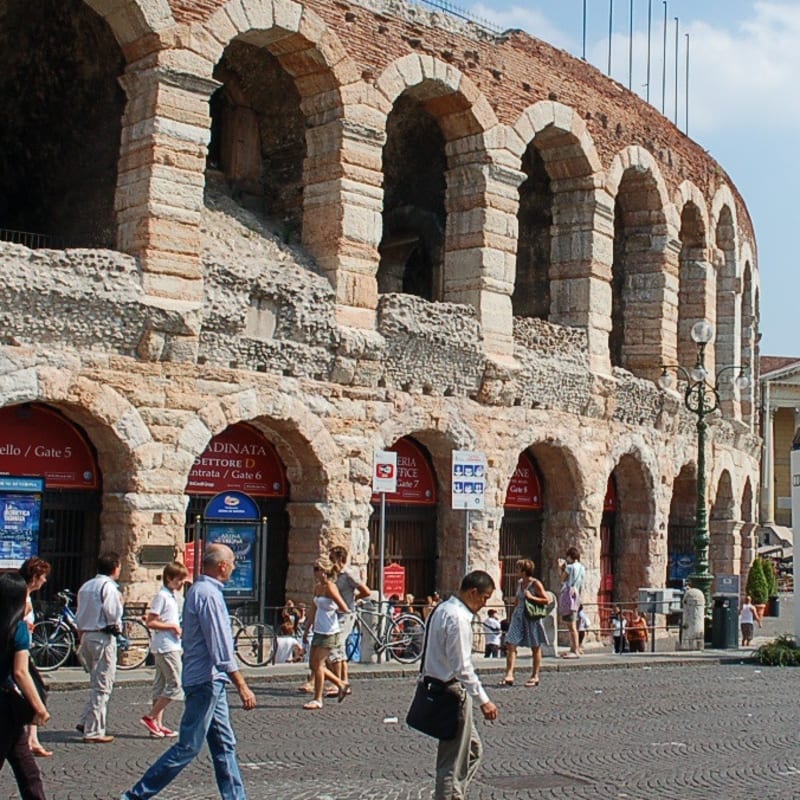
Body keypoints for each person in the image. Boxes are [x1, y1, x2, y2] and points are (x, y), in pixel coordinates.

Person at [121, 543, 256, 800]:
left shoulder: (202, 591)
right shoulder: (208, 594)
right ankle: (135, 796)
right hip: (206, 681)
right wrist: (242, 684)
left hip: (210, 680)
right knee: (188, 747)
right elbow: (220, 647)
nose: (235, 567)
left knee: (225, 745)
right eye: (233, 563)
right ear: (222, 566)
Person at [420, 570, 498, 800]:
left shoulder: (442, 609)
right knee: (450, 763)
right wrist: (484, 700)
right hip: (451, 692)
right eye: (484, 598)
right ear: (473, 592)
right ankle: (449, 795)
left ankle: (456, 795)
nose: (484, 604)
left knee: (473, 750)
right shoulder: (458, 618)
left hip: (438, 685)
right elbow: (462, 666)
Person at [0, 572, 50, 800]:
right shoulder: (17, 629)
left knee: (26, 766)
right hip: (5, 706)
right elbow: (21, 672)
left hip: (8, 710)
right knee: (27, 771)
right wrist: (39, 708)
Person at [75, 551, 123, 743]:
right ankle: (94, 731)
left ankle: (85, 720)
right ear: (115, 567)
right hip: (102, 635)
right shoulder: (108, 587)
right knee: (103, 685)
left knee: (96, 681)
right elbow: (112, 614)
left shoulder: (86, 585)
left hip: (86, 635)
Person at [141, 561, 189, 739]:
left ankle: (157, 726)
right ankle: (151, 717)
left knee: (160, 686)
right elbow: (151, 621)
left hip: (170, 644)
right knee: (175, 685)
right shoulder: (161, 596)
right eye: (179, 580)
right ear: (169, 578)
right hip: (166, 646)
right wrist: (172, 627)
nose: (181, 583)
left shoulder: (172, 596)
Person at [301, 559, 350, 710]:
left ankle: (318, 699)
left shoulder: (330, 587)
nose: (314, 572)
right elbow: (313, 608)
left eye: (316, 569)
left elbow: (344, 608)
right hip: (318, 630)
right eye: (314, 568)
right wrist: (307, 629)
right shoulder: (318, 587)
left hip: (329, 631)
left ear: (324, 571)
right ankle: (341, 684)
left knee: (318, 665)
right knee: (313, 665)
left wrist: (332, 611)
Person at [19, 557, 52, 757]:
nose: (45, 581)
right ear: (35, 576)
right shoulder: (21, 595)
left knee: (37, 690)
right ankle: (30, 737)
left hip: (25, 648)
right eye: (43, 576)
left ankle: (32, 738)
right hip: (18, 651)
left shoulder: (28, 595)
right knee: (34, 690)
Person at [327, 546, 370, 694]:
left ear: (341, 559)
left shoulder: (348, 574)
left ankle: (338, 682)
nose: (330, 561)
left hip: (347, 614)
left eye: (333, 558)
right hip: (335, 614)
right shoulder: (334, 575)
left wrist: (353, 599)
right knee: (339, 648)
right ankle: (344, 682)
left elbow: (366, 591)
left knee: (336, 645)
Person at [499, 559, 549, 687]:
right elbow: (517, 599)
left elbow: (546, 600)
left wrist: (532, 597)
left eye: (518, 568)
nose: (516, 571)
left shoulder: (535, 584)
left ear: (524, 571)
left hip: (531, 617)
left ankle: (535, 675)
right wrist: (511, 616)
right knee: (511, 643)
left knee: (535, 646)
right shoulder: (520, 583)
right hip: (518, 616)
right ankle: (509, 674)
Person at [558, 546, 585, 659]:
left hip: (569, 595)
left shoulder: (570, 567)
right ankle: (574, 648)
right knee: (574, 623)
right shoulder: (582, 568)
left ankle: (576, 650)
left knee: (571, 625)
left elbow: (562, 579)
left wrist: (560, 568)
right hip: (577, 595)